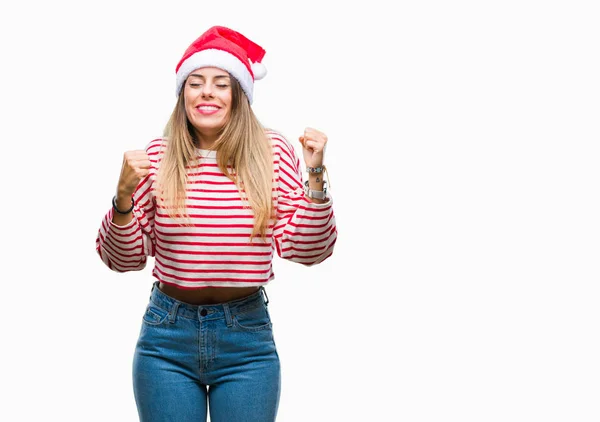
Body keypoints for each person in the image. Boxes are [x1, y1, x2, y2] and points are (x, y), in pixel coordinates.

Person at [95, 25, 337, 422]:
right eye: (196, 83)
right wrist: (122, 199)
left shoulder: (271, 152)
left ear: (238, 95)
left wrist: (315, 176)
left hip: (246, 339)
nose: (207, 92)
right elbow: (123, 259)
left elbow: (308, 249)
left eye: (221, 83)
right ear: (183, 95)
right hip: (166, 340)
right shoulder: (158, 155)